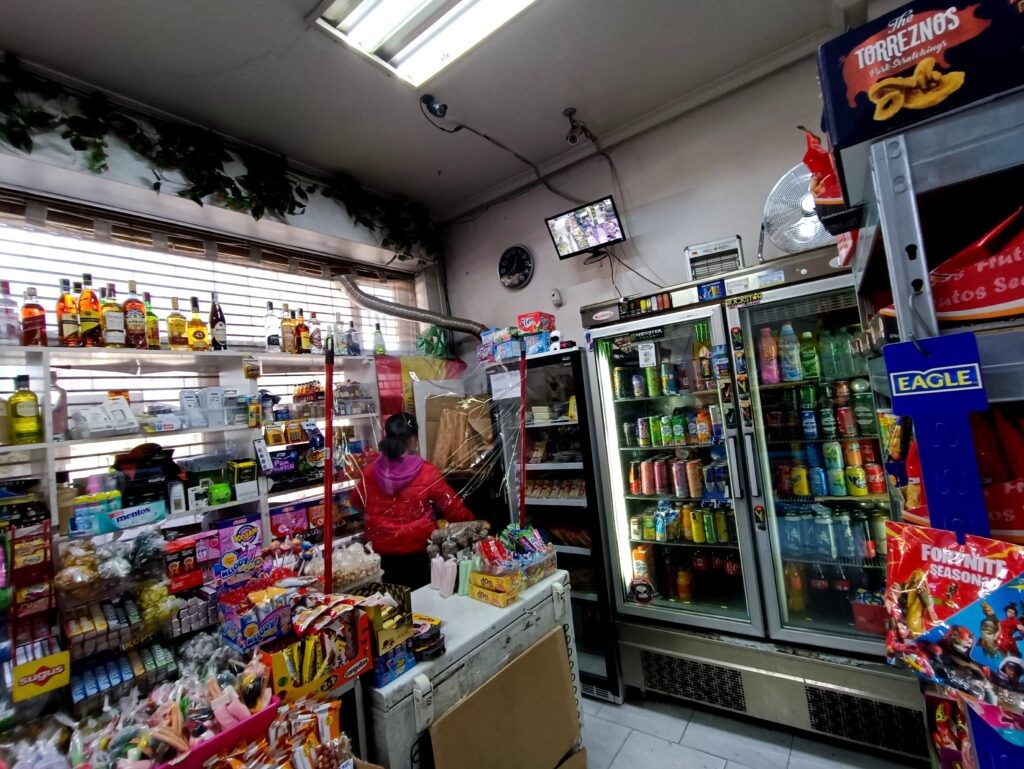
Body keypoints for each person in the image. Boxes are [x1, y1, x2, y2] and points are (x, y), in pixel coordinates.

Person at [352, 412, 473, 588]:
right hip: (418, 555)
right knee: (420, 600)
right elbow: (453, 508)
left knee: (392, 602)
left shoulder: (370, 470)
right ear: (412, 439)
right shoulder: (426, 471)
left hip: (380, 558)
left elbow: (356, 502)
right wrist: (473, 525)